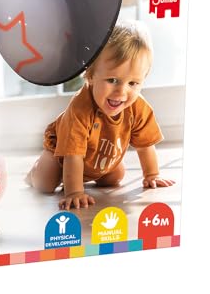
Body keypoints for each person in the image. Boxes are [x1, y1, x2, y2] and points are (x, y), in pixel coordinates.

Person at [26, 20, 174, 210]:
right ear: (90, 75)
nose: (121, 92)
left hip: (100, 158)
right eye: (112, 80)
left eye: (133, 83)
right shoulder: (79, 110)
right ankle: (33, 174)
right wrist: (74, 192)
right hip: (63, 156)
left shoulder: (138, 107)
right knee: (45, 183)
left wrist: (152, 174)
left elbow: (145, 145)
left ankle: (81, 175)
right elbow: (73, 156)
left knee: (115, 177)